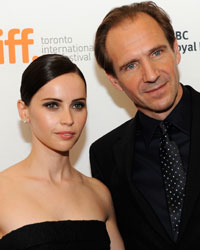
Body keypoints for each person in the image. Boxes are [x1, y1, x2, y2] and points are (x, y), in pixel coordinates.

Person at [89, 1, 200, 249]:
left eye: (156, 53)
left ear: (176, 49)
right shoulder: (105, 155)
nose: (150, 75)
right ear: (114, 81)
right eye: (131, 65)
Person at [0, 54, 125, 250]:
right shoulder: (2, 193)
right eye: (52, 105)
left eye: (77, 105)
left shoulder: (99, 194)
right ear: (24, 111)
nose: (68, 119)